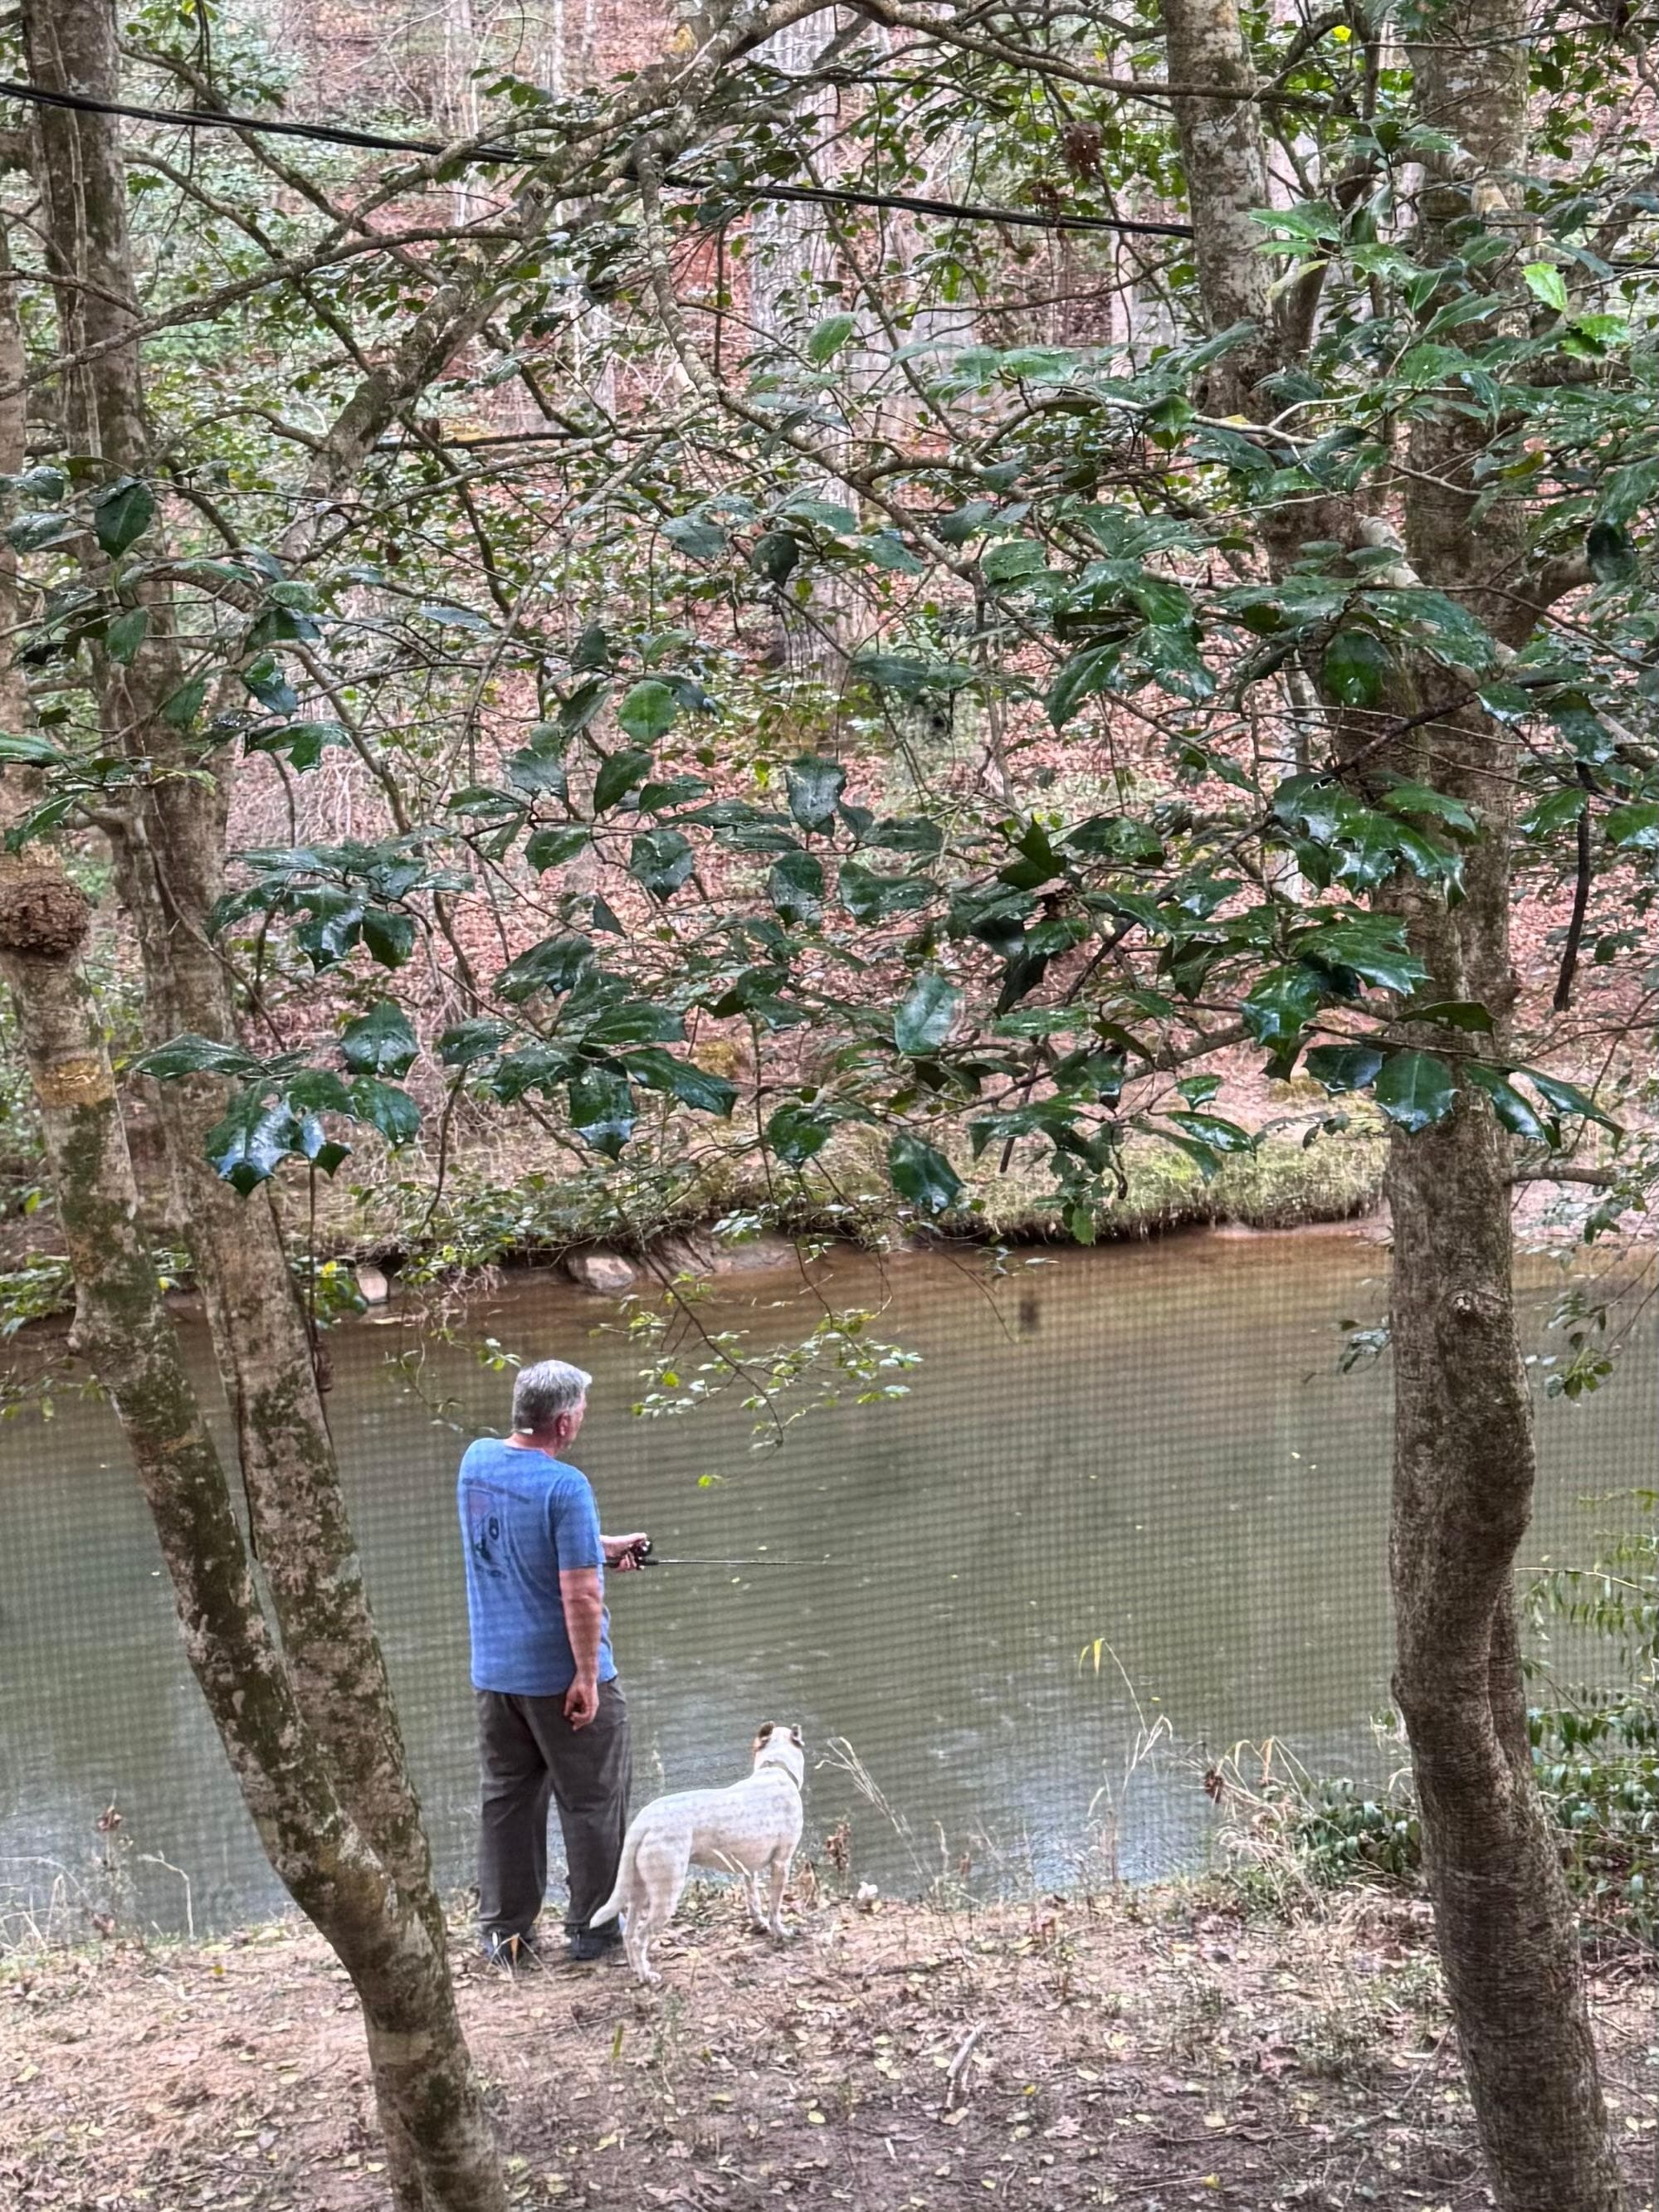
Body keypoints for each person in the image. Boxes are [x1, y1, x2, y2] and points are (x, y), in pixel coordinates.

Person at [457, 1357, 648, 1966]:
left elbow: (516, 1536)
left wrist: (597, 1544)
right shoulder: (566, 1486)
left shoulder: (477, 1462)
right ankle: (594, 1934)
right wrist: (587, 1675)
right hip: (558, 1681)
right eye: (583, 1412)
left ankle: (504, 1935)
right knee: (593, 1803)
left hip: (495, 1678)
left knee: (506, 1802)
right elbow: (581, 1593)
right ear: (564, 1422)